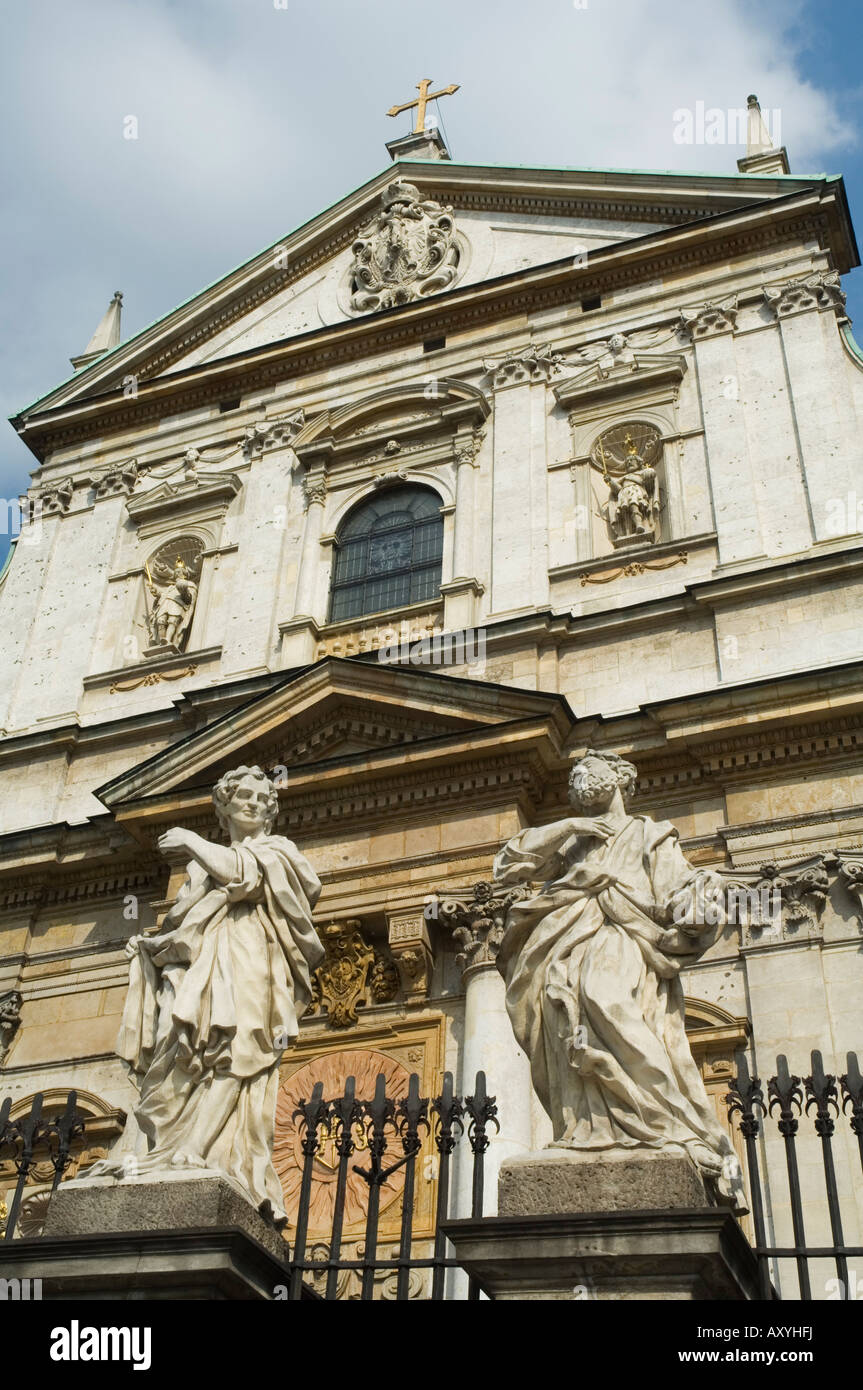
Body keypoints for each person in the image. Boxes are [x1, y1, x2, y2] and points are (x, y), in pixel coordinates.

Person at [493, 749, 746, 1210]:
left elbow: (677, 888)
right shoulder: (571, 843)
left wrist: (700, 897)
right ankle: (589, 1128)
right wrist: (569, 827)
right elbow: (508, 863)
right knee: (564, 1018)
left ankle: (666, 1119)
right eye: (573, 775)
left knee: (603, 995)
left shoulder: (650, 834)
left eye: (590, 769)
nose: (579, 778)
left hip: (626, 937)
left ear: (620, 778)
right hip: (568, 938)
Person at [84, 765, 323, 1226]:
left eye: (261, 796)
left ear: (272, 809)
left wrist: (191, 840)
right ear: (225, 806)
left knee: (240, 1049)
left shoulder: (280, 851)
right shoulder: (199, 869)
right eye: (242, 796)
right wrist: (150, 948)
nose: (252, 802)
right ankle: (167, 1147)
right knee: (185, 1049)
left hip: (252, 957)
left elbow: (248, 876)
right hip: (204, 964)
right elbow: (182, 924)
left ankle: (197, 1149)